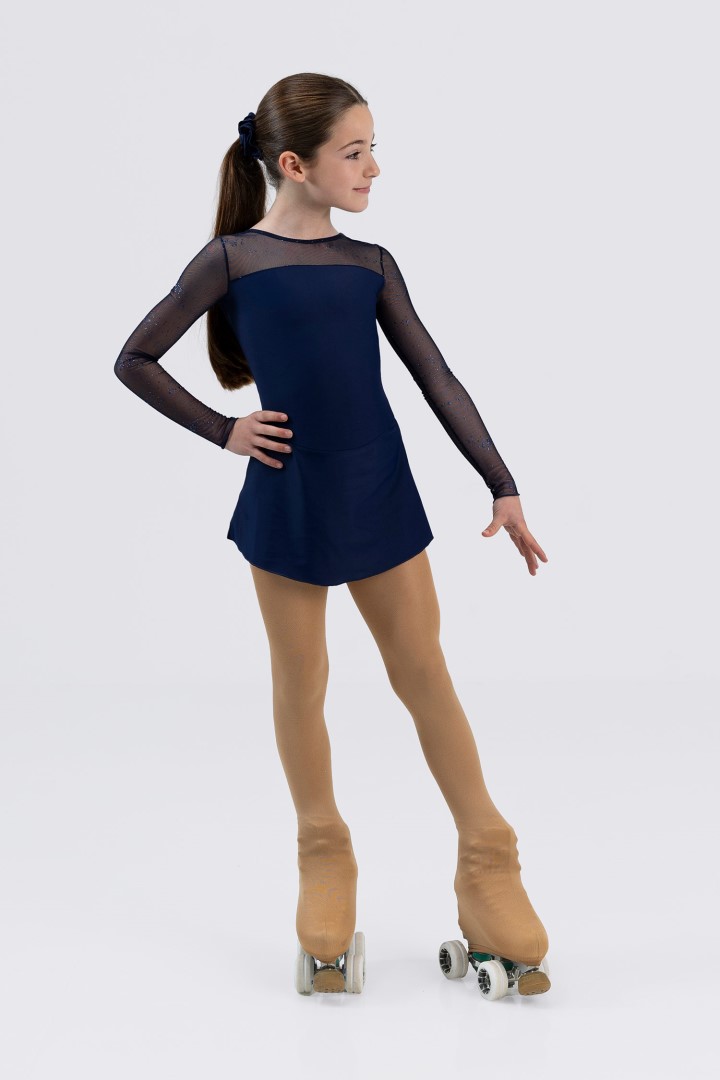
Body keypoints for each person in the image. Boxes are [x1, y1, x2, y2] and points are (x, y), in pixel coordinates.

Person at [114, 71, 551, 997]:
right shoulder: (232, 259)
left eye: (372, 149)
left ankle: (487, 854)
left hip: (377, 489)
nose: (373, 168)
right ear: (293, 165)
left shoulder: (371, 265)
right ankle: (323, 849)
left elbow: (436, 375)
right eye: (355, 153)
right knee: (301, 680)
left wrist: (502, 483)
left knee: (423, 672)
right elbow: (134, 357)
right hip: (289, 492)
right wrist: (223, 428)